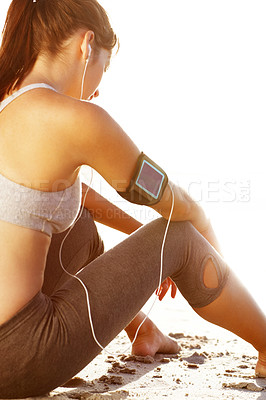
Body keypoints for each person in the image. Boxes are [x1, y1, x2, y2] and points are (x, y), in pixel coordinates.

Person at [0, 0, 265, 398]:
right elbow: (169, 199)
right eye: (102, 69)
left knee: (82, 225)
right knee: (179, 236)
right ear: (86, 46)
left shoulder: (9, 103)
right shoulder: (78, 118)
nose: (98, 87)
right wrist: (200, 234)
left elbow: (69, 196)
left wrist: (141, 250)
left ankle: (144, 330)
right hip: (19, 352)